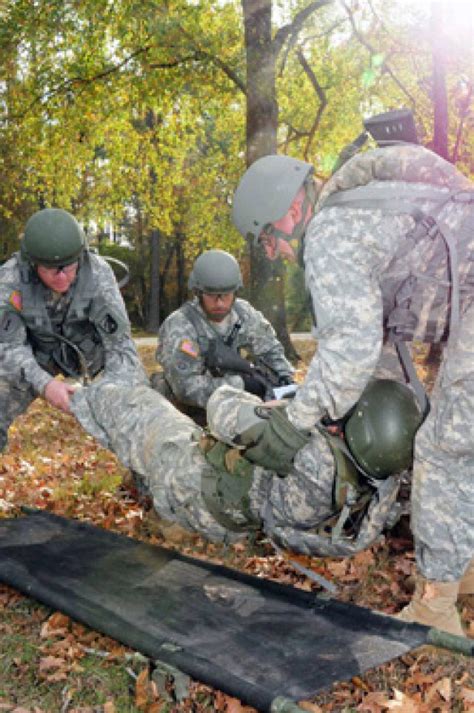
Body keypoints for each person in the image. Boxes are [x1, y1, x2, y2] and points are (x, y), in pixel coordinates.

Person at [231, 141, 474, 635]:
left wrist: (293, 425)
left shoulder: (330, 232)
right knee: (454, 434)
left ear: (292, 209)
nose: (272, 253)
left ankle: (436, 612)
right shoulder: (361, 212)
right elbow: (378, 352)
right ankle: (461, 565)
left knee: (444, 446)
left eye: (266, 238)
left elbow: (349, 355)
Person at [71, 375, 424, 573]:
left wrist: (263, 399)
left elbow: (221, 410)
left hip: (194, 489)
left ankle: (73, 393)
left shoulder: (306, 452)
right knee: (137, 436)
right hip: (235, 524)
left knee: (135, 405)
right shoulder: (379, 483)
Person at [0, 207, 147, 452]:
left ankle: (142, 477)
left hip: (90, 354)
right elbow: (8, 347)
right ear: (33, 263)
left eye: (69, 267)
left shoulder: (98, 273)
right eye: (50, 269)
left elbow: (120, 345)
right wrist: (46, 385)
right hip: (35, 355)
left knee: (136, 400)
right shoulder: (10, 279)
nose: (61, 277)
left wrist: (116, 391)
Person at [155, 249, 294, 422]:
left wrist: (284, 380)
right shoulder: (180, 325)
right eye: (212, 295)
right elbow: (185, 388)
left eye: (226, 295)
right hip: (186, 415)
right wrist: (241, 384)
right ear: (198, 292)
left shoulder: (245, 314)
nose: (219, 302)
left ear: (236, 292)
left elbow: (271, 351)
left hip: (238, 408)